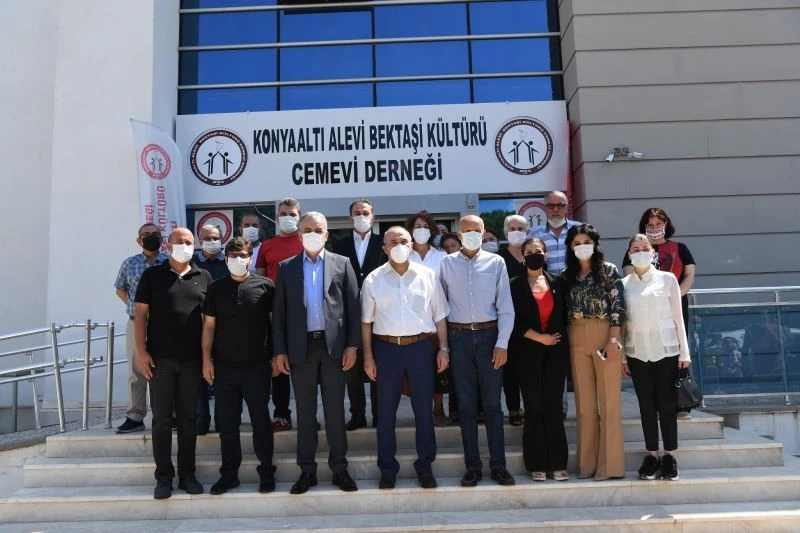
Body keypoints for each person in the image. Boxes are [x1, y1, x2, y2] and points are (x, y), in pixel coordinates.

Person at [272, 212, 361, 495]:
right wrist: (280, 352)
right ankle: (307, 471)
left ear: (326, 234)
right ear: (299, 234)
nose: (312, 233)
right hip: (302, 350)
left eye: (317, 229)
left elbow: (354, 308)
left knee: (335, 411)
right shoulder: (286, 268)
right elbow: (280, 316)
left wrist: (352, 345)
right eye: (306, 229)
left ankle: (340, 469)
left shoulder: (342, 263)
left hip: (333, 349)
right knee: (306, 413)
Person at [361, 226, 450, 490]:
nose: (398, 245)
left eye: (403, 240)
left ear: (411, 245)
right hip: (386, 349)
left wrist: (443, 348)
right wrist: (368, 356)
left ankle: (425, 467)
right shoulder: (373, 280)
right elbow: (366, 322)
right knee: (385, 414)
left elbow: (440, 316)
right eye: (392, 242)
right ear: (384, 248)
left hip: (421, 348)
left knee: (424, 411)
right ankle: (387, 469)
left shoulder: (428, 276)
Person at [134, 228, 212, 499]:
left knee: (189, 420)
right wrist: (141, 352)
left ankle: (188, 475)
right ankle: (163, 477)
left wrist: (206, 360)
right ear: (167, 245)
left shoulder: (203, 277)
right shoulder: (152, 275)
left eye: (189, 242)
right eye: (179, 242)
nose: (184, 246)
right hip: (159, 361)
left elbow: (208, 324)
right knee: (162, 420)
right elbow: (140, 315)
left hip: (191, 361)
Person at [439, 215, 516, 487]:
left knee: (494, 406)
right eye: (466, 230)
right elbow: (440, 308)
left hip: (489, 336)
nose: (471, 234)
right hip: (459, 338)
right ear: (458, 234)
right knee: (467, 406)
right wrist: (444, 347)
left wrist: (502, 343)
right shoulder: (445, 264)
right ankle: (472, 466)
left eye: (476, 230)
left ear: (483, 233)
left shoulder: (496, 263)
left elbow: (506, 306)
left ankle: (499, 466)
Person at [201, 237, 276, 495]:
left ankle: (266, 471)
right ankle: (229, 474)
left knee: (261, 421)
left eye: (242, 255)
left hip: (257, 367)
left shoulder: (266, 286)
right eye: (233, 255)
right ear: (226, 258)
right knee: (228, 424)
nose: (238, 260)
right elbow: (209, 327)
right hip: (224, 368)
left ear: (250, 256)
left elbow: (273, 326)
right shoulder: (215, 288)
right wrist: (205, 361)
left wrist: (277, 356)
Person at [621, 234, 691, 481]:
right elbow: (623, 323)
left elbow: (677, 316)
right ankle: (652, 454)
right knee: (646, 407)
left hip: (667, 349)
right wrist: (623, 358)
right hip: (636, 351)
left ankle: (669, 455)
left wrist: (685, 352)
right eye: (635, 249)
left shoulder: (667, 279)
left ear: (653, 253)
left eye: (644, 248)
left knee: (667, 406)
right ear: (629, 254)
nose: (640, 252)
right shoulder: (625, 283)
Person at [562, 223, 625, 481]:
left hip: (605, 335)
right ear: (570, 247)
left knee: (609, 402)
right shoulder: (567, 275)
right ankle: (587, 465)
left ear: (595, 244)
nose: (581, 247)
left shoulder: (608, 271)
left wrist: (613, 339)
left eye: (586, 242)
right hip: (575, 335)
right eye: (576, 243)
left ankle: (609, 467)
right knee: (585, 406)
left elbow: (618, 307)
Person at [621, 207, 696, 418]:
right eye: (650, 225)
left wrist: (675, 295)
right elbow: (628, 278)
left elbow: (689, 274)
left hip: (675, 304)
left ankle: (681, 403)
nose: (654, 228)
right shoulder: (636, 249)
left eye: (658, 224)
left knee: (678, 351)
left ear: (666, 225)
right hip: (644, 310)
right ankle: (653, 403)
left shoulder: (680, 248)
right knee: (650, 356)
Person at [509, 237, 569, 482]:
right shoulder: (514, 285)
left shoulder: (559, 283)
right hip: (527, 353)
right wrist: (539, 338)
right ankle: (536, 463)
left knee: (553, 407)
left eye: (539, 251)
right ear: (522, 256)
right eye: (529, 252)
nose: (534, 255)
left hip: (556, 353)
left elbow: (566, 316)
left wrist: (550, 340)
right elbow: (511, 318)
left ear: (546, 255)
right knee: (533, 407)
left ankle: (558, 462)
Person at [333, 198, 383, 430]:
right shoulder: (339, 244)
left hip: (380, 314)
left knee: (377, 366)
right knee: (351, 368)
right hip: (351, 313)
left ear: (373, 216)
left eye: (365, 212)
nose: (361, 216)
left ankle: (379, 414)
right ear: (349, 218)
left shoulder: (383, 242)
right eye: (356, 212)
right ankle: (357, 414)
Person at [531, 191, 582, 419]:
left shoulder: (580, 230)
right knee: (556, 351)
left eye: (560, 205)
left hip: (579, 298)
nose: (555, 210)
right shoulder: (535, 234)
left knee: (582, 350)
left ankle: (586, 408)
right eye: (550, 206)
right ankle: (558, 408)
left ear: (567, 206)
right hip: (550, 299)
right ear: (544, 208)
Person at [113, 223, 167, 434]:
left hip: (164, 323)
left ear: (162, 239)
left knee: (164, 369)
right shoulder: (130, 263)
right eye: (147, 235)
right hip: (137, 323)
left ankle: (167, 415)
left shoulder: (169, 262)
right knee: (137, 370)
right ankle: (135, 416)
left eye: (155, 234)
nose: (151, 237)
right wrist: (134, 308)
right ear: (139, 240)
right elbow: (120, 289)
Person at [256, 197, 303, 432]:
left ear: (299, 216)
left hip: (302, 314)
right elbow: (259, 279)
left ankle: (307, 415)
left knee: (303, 367)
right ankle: (282, 414)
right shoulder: (267, 246)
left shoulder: (307, 241)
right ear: (276, 218)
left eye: (292, 214)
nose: (288, 218)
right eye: (284, 213)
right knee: (278, 366)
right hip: (274, 314)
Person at [406, 210, 449, 425]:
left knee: (438, 368)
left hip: (437, 321)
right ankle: (421, 410)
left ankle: (438, 408)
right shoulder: (404, 255)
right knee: (417, 371)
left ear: (431, 231)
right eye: (416, 227)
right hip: (411, 322)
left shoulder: (442, 256)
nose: (420, 231)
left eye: (424, 227)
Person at [193, 224, 228, 435]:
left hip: (225, 327)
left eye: (215, 237)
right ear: (199, 238)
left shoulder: (229, 262)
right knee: (200, 376)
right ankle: (201, 421)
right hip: (199, 327)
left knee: (223, 376)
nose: (211, 241)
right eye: (207, 237)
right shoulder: (192, 263)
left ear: (222, 238)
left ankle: (223, 420)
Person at [498, 214, 530, 426]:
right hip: (506, 321)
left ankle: (531, 406)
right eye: (512, 228)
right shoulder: (499, 258)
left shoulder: (532, 255)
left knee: (530, 368)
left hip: (531, 322)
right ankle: (513, 408)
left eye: (520, 228)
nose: (516, 231)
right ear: (505, 232)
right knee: (509, 369)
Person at [406, 210, 447, 276]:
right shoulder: (405, 256)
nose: (422, 229)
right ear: (411, 230)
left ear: (431, 231)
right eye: (418, 226)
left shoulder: (442, 256)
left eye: (426, 227)